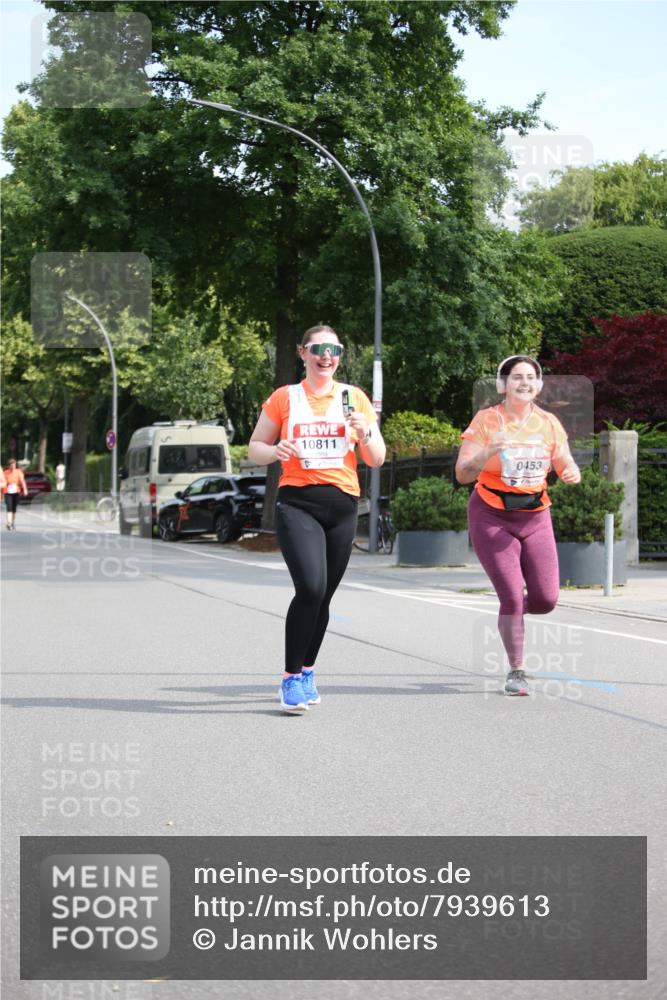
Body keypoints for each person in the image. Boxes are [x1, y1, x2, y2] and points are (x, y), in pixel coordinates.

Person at [249, 324, 386, 714]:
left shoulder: (353, 398)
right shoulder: (285, 398)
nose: (327, 356)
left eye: (334, 350)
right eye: (319, 349)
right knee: (310, 587)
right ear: (303, 353)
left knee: (324, 595)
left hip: (342, 507)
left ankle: (308, 670)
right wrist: (275, 450)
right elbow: (255, 447)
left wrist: (367, 432)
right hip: (298, 504)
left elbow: (376, 459)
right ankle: (291, 678)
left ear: (340, 356)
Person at [455, 356, 581, 696]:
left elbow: (563, 457)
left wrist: (571, 470)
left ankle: (510, 612)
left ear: (538, 386)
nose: (524, 383)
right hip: (491, 514)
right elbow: (463, 472)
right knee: (512, 596)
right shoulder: (487, 420)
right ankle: (517, 670)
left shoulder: (548, 422)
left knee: (546, 598)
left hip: (536, 515)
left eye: (530, 378)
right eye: (516, 378)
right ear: (503, 385)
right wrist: (487, 452)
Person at [3, 458, 29, 530]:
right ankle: (9, 523)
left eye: (14, 465)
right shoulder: (5, 473)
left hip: (16, 491)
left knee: (14, 509)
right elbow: (2, 482)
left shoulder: (18, 472)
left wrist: (25, 489)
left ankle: (12, 522)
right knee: (9, 508)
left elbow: (22, 481)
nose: (13, 467)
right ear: (9, 466)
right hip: (7, 491)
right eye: (11, 465)